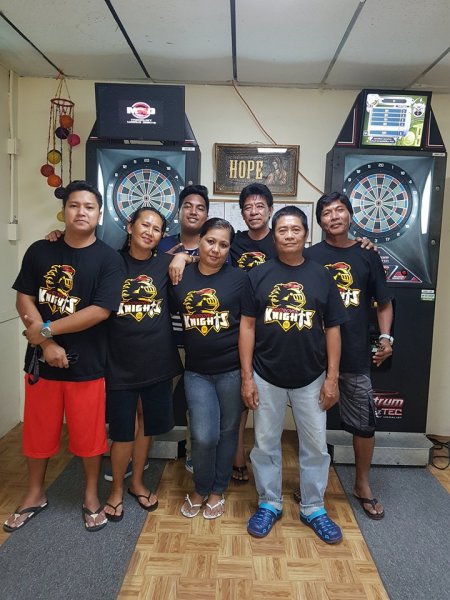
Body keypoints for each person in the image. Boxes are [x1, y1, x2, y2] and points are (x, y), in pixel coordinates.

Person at [4, 180, 122, 533]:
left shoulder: (108, 259)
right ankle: (35, 493)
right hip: (41, 364)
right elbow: (24, 297)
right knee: (37, 434)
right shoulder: (40, 250)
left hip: (88, 365)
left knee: (89, 437)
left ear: (99, 214)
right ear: (64, 211)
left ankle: (90, 496)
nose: (81, 212)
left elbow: (100, 310)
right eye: (74, 205)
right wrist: (46, 344)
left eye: (89, 206)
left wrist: (46, 331)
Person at [239, 205, 348, 542]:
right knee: (264, 444)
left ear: (306, 234)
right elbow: (247, 326)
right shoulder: (258, 275)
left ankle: (313, 507)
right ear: (274, 236)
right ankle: (269, 502)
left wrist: (332, 378)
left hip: (312, 376)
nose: (289, 235)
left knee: (315, 447)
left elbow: (333, 328)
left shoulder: (321, 276)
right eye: (282, 230)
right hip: (265, 374)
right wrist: (246, 377)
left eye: (295, 229)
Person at [302, 192, 393, 519]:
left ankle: (362, 484)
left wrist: (386, 337)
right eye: (326, 213)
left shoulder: (368, 254)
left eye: (339, 210)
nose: (334, 216)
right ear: (320, 221)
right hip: (314, 356)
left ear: (350, 215)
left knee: (364, 426)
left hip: (355, 354)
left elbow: (384, 301)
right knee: (311, 427)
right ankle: (311, 486)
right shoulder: (309, 256)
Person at [103, 207, 183, 521]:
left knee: (146, 423)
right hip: (119, 361)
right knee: (122, 431)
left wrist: (182, 257)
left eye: (157, 228)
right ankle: (116, 490)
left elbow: (199, 260)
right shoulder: (110, 262)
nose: (150, 232)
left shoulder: (164, 264)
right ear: (130, 226)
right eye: (144, 225)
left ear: (162, 236)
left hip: (156, 360)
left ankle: (137, 482)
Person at [172, 218, 248, 519]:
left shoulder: (239, 278)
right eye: (210, 241)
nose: (216, 249)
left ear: (229, 249)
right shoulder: (179, 275)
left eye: (223, 244)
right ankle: (201, 487)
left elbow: (248, 327)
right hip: (196, 372)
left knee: (228, 432)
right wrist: (182, 256)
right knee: (204, 436)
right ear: (200, 240)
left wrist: (247, 374)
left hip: (231, 370)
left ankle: (217, 490)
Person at [228, 183, 277, 483]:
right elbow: (205, 250)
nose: (254, 212)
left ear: (270, 210)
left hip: (274, 329)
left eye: (260, 206)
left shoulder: (281, 239)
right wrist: (183, 256)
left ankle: (267, 461)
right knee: (242, 393)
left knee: (269, 401)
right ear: (242, 212)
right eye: (248, 207)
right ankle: (237, 456)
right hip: (239, 326)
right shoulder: (234, 241)